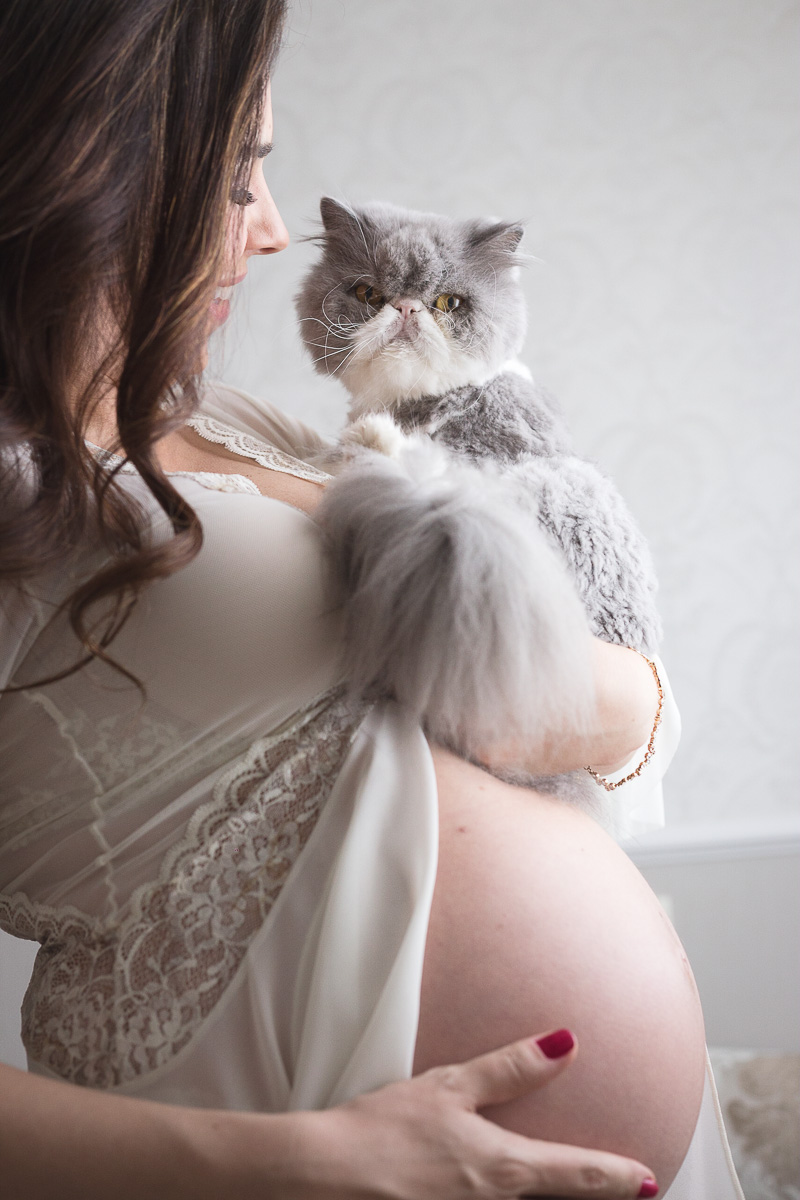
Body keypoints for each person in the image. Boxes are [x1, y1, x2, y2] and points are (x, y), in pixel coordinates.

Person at [0, 2, 743, 1197]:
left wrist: (631, 701)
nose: (269, 230)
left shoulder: (238, 424)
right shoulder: (18, 488)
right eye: (235, 177)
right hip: (280, 1140)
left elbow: (553, 695)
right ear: (91, 158)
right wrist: (296, 1162)